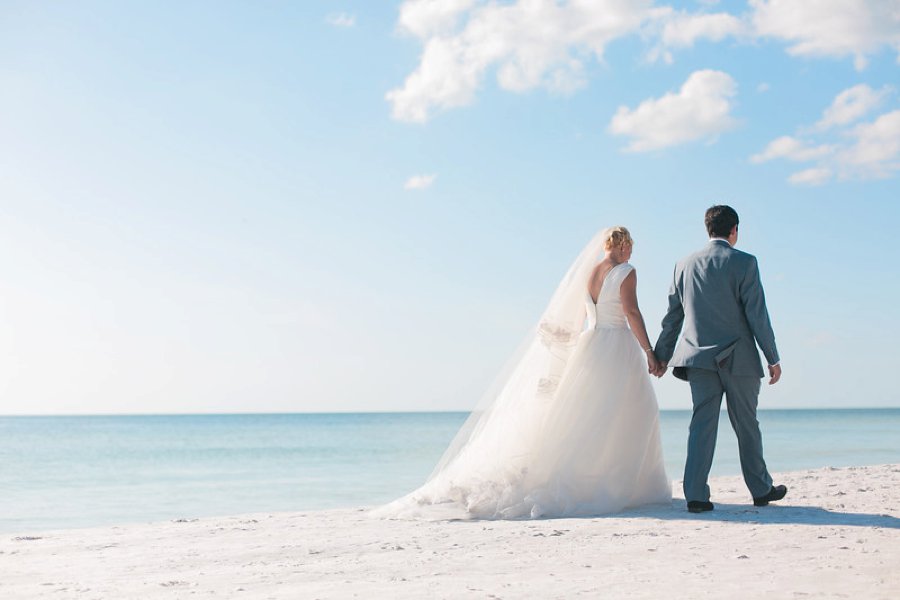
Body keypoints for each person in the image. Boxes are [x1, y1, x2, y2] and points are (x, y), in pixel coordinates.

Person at [374, 227, 671, 520]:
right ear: (622, 245)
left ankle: (595, 477)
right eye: (630, 247)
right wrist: (648, 350)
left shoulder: (587, 274)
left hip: (590, 346)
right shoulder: (625, 271)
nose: (631, 252)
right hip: (617, 345)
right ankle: (627, 486)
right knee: (635, 411)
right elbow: (631, 312)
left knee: (587, 415)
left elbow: (579, 318)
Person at [653, 205, 786, 513]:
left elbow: (673, 317)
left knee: (702, 425)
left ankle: (696, 495)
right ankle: (761, 489)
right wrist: (773, 356)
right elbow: (757, 315)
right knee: (746, 424)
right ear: (734, 230)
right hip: (739, 360)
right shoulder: (745, 263)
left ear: (707, 229)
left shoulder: (683, 265)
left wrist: (661, 356)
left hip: (697, 360)